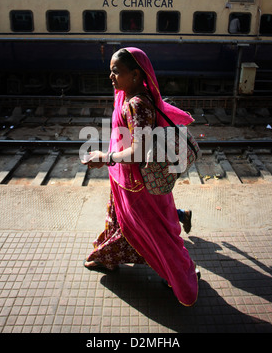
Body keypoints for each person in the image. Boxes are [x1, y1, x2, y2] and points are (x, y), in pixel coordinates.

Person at [82, 47, 198, 306]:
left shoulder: (138, 104)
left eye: (116, 72)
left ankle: (180, 277)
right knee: (124, 224)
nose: (111, 77)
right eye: (110, 71)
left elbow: (137, 152)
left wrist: (105, 157)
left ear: (135, 74)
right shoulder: (126, 96)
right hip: (126, 182)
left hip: (137, 185)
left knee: (154, 233)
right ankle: (107, 257)